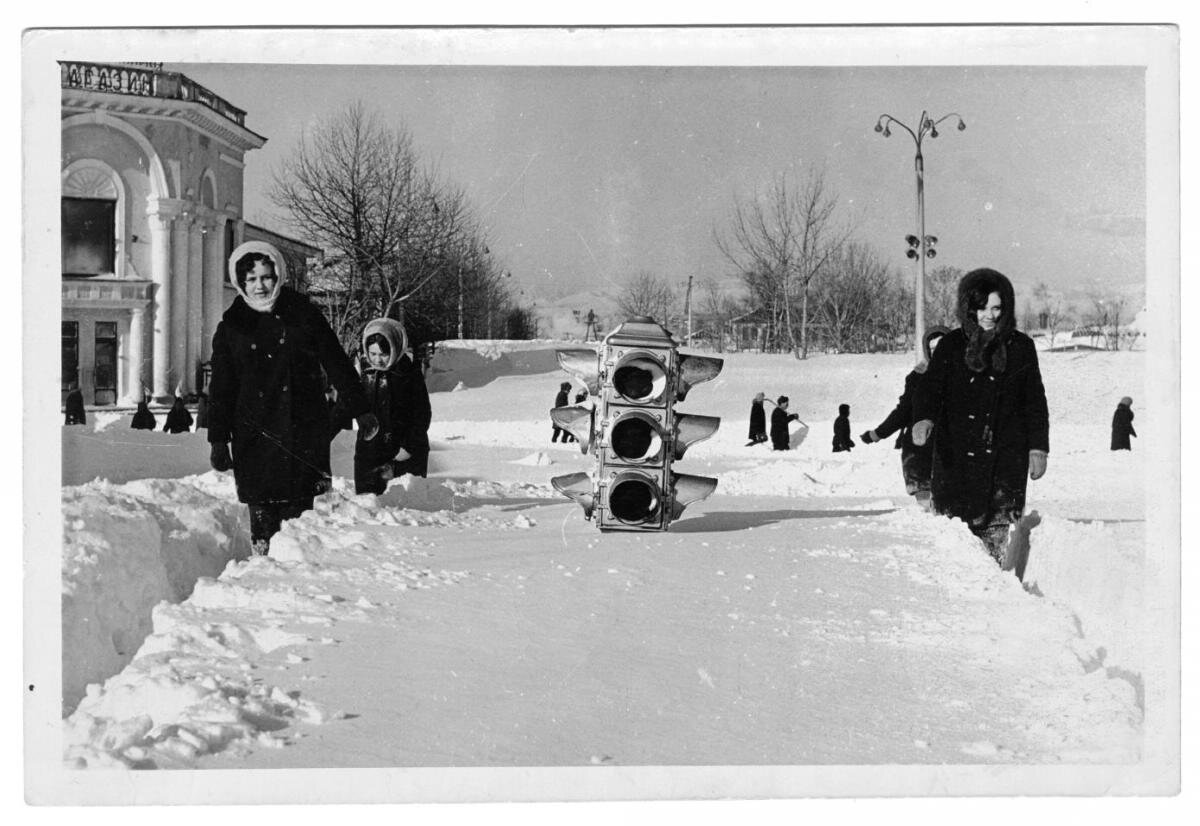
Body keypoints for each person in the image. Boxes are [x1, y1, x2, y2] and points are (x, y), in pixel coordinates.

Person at [207, 241, 377, 557]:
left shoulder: (303, 314)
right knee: (263, 519)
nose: (260, 286)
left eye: (267, 277)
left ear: (279, 276)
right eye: (252, 279)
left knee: (300, 522)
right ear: (241, 283)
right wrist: (218, 439)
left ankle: (299, 581)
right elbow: (221, 388)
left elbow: (336, 361)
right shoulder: (232, 327)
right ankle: (263, 570)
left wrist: (361, 408)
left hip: (302, 430)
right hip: (255, 436)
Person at [912, 268, 1050, 565]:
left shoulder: (1021, 347)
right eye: (982, 307)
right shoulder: (951, 346)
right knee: (957, 538)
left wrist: (1038, 448)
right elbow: (931, 389)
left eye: (996, 307)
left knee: (997, 536)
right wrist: (924, 418)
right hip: (956, 458)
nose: (989, 315)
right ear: (968, 307)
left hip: (1006, 458)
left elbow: (1035, 401)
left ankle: (994, 589)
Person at [861, 326, 950, 506]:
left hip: (953, 447)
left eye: (942, 348)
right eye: (932, 349)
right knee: (929, 506)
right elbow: (904, 411)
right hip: (921, 449)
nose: (937, 354)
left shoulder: (964, 377)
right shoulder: (917, 377)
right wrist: (878, 433)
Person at [348, 318, 433, 495]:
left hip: (403, 454)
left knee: (403, 512)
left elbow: (421, 414)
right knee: (368, 510)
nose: (377, 360)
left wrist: (406, 450)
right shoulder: (363, 373)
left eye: (383, 354)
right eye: (373, 354)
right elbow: (345, 406)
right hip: (369, 452)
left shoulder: (408, 374)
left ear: (394, 348)